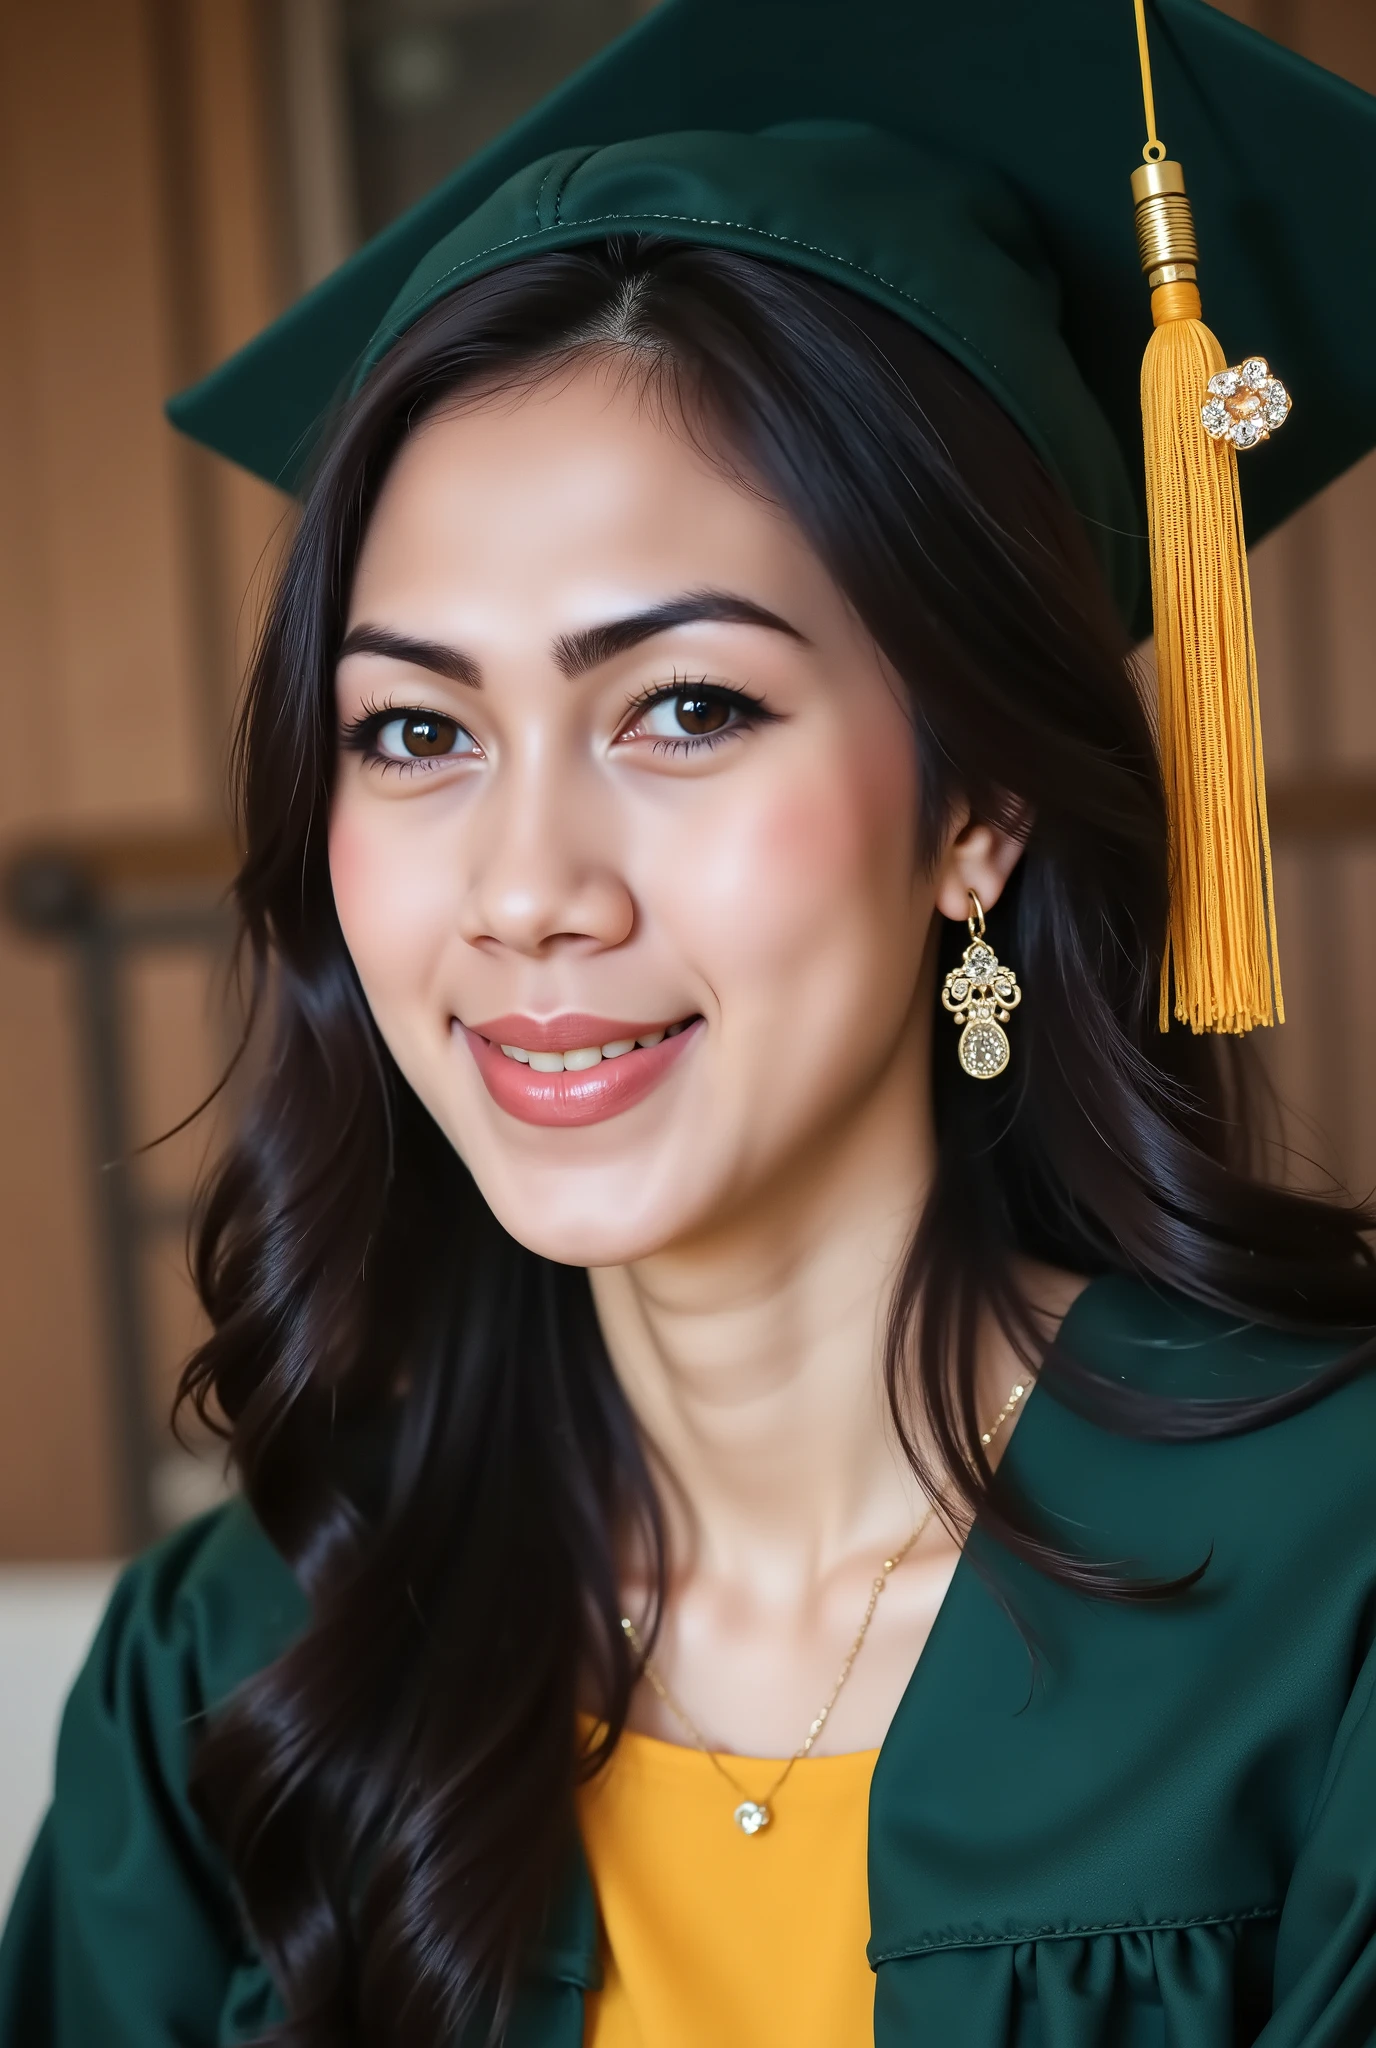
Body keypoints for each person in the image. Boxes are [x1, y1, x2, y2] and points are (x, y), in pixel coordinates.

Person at [5, 2, 1376, 2044]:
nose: (528, 883)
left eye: (686, 708)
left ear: (978, 813)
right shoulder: (248, 1657)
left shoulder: (1333, 1579)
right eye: (414, 730)